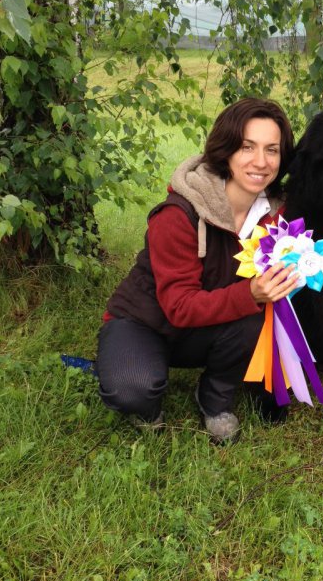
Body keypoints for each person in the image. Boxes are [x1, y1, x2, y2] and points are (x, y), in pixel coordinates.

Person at [96, 98, 297, 443]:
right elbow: (178, 306)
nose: (261, 162)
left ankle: (215, 399)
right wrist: (250, 293)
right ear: (226, 148)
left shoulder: (278, 216)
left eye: (272, 150)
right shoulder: (177, 215)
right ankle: (145, 400)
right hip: (146, 322)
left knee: (253, 316)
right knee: (133, 389)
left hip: (208, 327)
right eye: (248, 147)